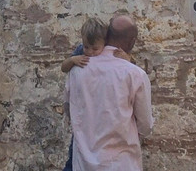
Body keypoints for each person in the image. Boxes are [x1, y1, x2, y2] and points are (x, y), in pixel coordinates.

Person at [64, 14, 154, 171]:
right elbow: (145, 127)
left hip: (83, 163)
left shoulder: (77, 70)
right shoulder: (135, 74)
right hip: (122, 163)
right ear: (132, 42)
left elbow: (69, 110)